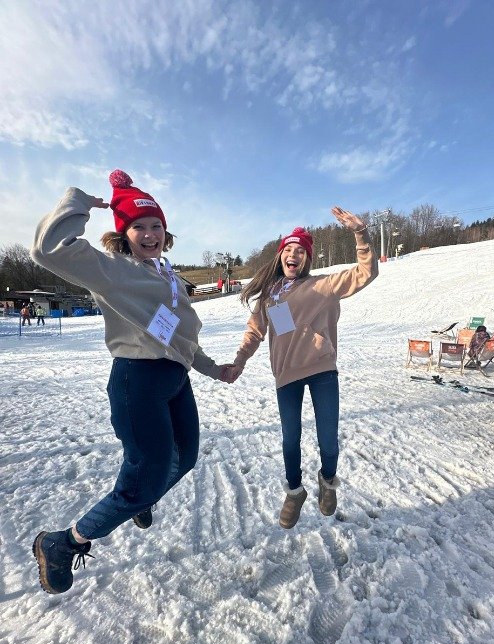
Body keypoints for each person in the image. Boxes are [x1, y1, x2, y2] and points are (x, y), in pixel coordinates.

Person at [29, 170, 235, 595]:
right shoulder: (113, 270)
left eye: (155, 224)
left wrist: (215, 369)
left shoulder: (169, 276)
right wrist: (78, 202)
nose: (149, 233)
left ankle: (143, 498)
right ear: (124, 234)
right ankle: (64, 542)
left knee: (186, 457)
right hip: (137, 381)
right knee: (148, 472)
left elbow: (180, 337)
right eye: (138, 226)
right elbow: (47, 249)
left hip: (175, 380)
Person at [225, 214, 379, 529]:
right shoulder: (270, 294)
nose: (293, 255)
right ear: (281, 255)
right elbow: (254, 332)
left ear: (307, 258)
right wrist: (240, 359)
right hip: (286, 375)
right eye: (288, 249)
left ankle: (327, 481)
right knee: (290, 439)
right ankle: (294, 492)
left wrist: (360, 234)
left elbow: (366, 271)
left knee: (328, 439)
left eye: (300, 251)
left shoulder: (322, 286)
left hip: (322, 370)